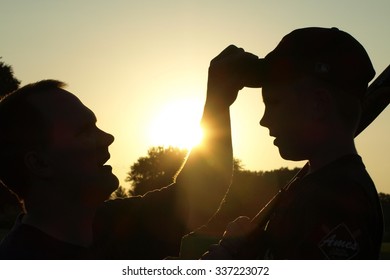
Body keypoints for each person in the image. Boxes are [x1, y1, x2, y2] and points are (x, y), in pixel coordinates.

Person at [181, 27, 384, 259]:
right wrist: (250, 249)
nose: (263, 120)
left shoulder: (340, 201)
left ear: (318, 105)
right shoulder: (314, 188)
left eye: (274, 103)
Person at [0, 78, 234, 259]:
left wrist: (219, 96)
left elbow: (201, 193)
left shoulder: (117, 223)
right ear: (40, 163)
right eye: (84, 131)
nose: (108, 138)